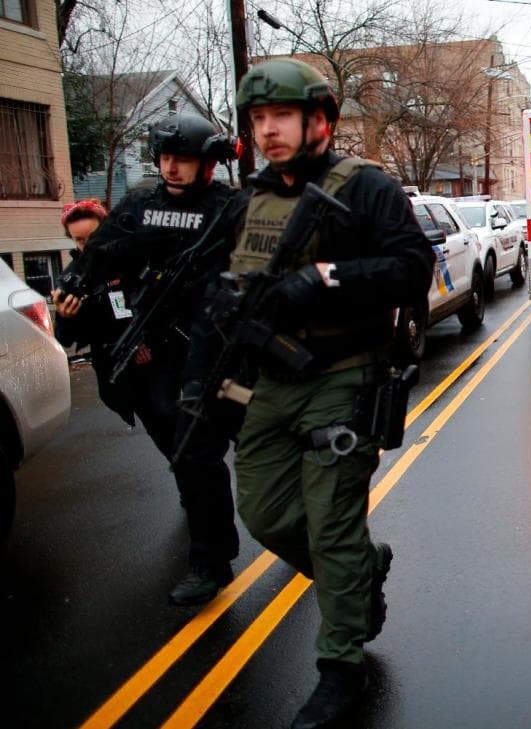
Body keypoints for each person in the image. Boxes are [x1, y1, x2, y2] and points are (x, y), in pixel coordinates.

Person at [224, 58, 435, 728]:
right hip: (271, 379)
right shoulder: (252, 197)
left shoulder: (365, 186)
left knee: (333, 522)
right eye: (258, 119)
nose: (268, 130)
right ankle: (360, 570)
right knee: (262, 512)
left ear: (319, 119)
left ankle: (340, 661)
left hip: (343, 375)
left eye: (280, 116)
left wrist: (327, 277)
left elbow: (411, 269)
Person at [76, 112, 243, 607]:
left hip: (232, 357)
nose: (172, 168)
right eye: (165, 158)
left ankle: (340, 552)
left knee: (269, 454)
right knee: (192, 456)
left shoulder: (231, 208)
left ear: (207, 163)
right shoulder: (138, 207)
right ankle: (211, 560)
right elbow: (98, 262)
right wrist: (73, 298)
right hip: (173, 356)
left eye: (183, 159)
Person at [52, 199, 138, 425]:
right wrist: (65, 317)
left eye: (92, 236)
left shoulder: (132, 257)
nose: (87, 244)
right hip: (116, 369)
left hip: (159, 358)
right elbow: (64, 338)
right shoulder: (72, 280)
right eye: (79, 240)